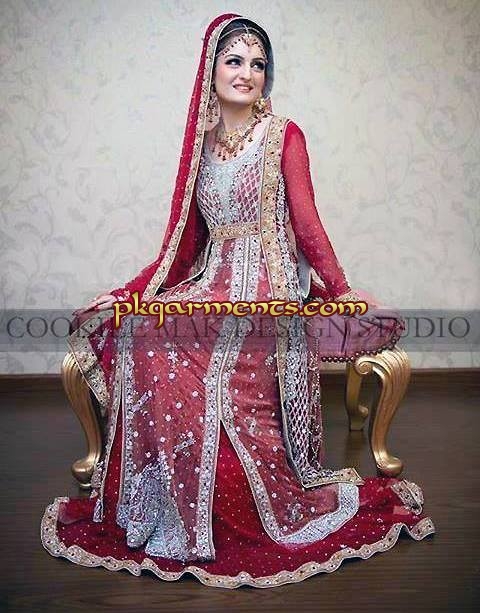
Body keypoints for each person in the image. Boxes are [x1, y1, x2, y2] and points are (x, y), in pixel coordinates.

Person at [41, 13, 435, 589]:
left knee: (193, 357)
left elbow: (307, 224)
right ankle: (165, 508)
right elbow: (182, 244)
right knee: (141, 334)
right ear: (211, 68)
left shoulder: (283, 136)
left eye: (258, 64)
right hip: (209, 283)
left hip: (268, 291)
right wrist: (130, 291)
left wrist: (341, 291)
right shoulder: (200, 147)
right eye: (235, 60)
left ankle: (230, 506)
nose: (247, 73)